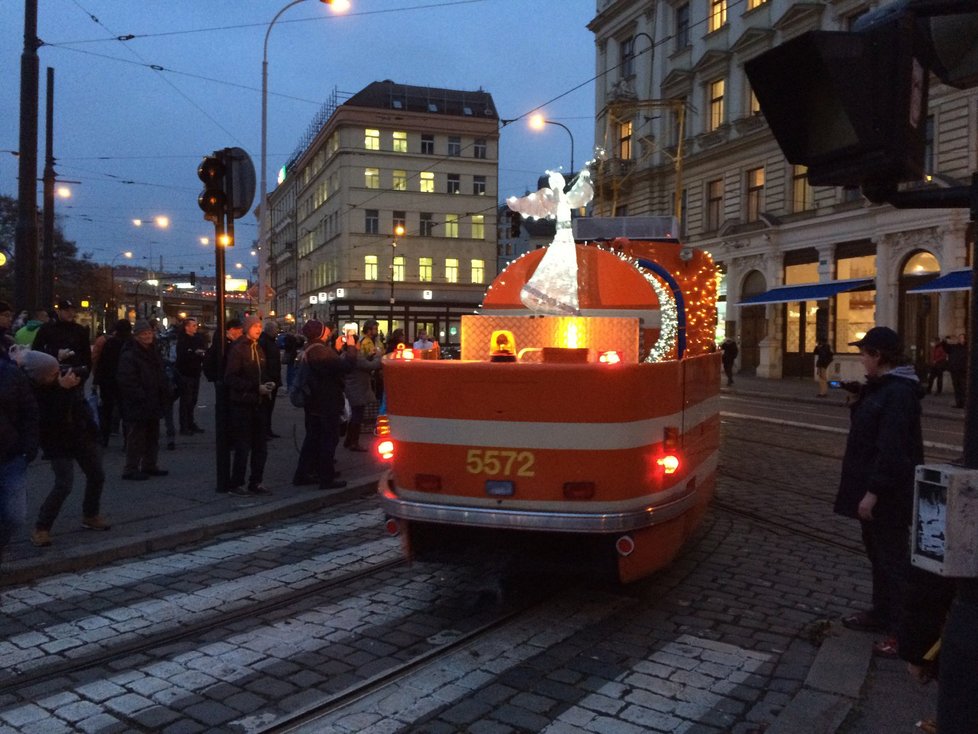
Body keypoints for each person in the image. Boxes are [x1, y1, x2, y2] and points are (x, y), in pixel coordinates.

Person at [836, 326, 923, 657]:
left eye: (864, 354)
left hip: (888, 494)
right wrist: (860, 401)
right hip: (873, 488)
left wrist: (873, 492)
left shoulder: (898, 394)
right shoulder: (881, 389)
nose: (861, 360)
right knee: (878, 556)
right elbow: (867, 433)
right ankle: (882, 612)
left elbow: (892, 449)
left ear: (879, 356)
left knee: (892, 560)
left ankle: (904, 634)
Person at [19, 350, 109, 547]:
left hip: (80, 434)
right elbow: (49, 417)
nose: (57, 374)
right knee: (64, 484)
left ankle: (90, 514)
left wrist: (93, 429)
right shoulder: (32, 390)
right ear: (39, 376)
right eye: (52, 373)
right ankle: (42, 527)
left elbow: (80, 405)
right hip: (56, 441)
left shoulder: (64, 380)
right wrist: (61, 389)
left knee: (97, 474)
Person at [293, 320, 354, 489]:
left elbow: (328, 367)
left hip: (313, 402)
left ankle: (304, 473)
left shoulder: (311, 349)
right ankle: (325, 477)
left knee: (313, 438)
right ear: (319, 333)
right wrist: (351, 347)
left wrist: (334, 349)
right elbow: (346, 366)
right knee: (328, 439)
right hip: (326, 402)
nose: (328, 332)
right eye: (325, 330)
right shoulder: (320, 351)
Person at [224, 315, 273, 496]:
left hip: (259, 404)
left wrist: (268, 383)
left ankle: (256, 481)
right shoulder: (239, 349)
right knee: (243, 447)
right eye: (255, 326)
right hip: (243, 404)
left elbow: (262, 373)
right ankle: (236, 483)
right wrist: (254, 388)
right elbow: (230, 377)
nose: (258, 329)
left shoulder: (258, 347)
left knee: (261, 447)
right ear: (247, 328)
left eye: (260, 326)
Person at [116, 320, 170, 481]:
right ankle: (131, 468)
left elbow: (159, 373)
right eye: (144, 334)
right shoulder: (130, 354)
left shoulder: (153, 351)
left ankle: (150, 464)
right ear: (137, 336)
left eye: (149, 333)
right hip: (139, 401)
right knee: (137, 437)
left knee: (153, 435)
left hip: (153, 399)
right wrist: (140, 395)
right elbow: (126, 380)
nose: (147, 336)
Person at [0, 345, 39, 565]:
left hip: (11, 453)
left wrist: (29, 446)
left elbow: (29, 410)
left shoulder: (10, 373)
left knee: (15, 515)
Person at [92, 319, 131, 447]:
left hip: (108, 382)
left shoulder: (110, 343)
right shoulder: (131, 344)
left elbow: (101, 363)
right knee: (126, 412)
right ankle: (127, 441)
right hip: (125, 382)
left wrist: (96, 381)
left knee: (106, 411)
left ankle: (104, 439)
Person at [344, 321, 382, 452]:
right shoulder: (356, 356)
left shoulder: (347, 355)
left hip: (352, 387)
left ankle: (349, 440)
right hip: (358, 388)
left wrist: (369, 357)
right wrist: (378, 356)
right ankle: (354, 442)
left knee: (354, 414)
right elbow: (371, 366)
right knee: (357, 416)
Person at [32, 299, 92, 380]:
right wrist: (56, 353)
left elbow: (86, 354)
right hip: (52, 376)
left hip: (74, 375)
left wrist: (83, 376)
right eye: (67, 311)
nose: (70, 313)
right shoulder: (47, 329)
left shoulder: (79, 330)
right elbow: (36, 349)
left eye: (72, 311)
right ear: (58, 311)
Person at [175, 317, 207, 436]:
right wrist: (194, 352)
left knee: (193, 400)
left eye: (196, 325)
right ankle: (184, 426)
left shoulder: (198, 338)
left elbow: (203, 350)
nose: (195, 327)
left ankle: (190, 422)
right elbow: (182, 355)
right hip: (185, 373)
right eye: (193, 325)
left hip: (195, 372)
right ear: (186, 327)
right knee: (185, 401)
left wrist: (199, 353)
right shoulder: (183, 339)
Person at [258, 320, 282, 439]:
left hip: (274, 378)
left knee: (269, 407)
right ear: (270, 330)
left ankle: (267, 430)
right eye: (276, 329)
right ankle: (263, 431)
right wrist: (266, 378)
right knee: (265, 407)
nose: (277, 331)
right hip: (268, 379)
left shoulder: (271, 341)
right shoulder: (264, 342)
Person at [945, 334, 966, 408]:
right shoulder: (954, 347)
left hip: (962, 371)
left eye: (962, 338)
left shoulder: (967, 348)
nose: (960, 339)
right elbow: (946, 348)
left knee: (962, 387)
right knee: (956, 387)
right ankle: (959, 403)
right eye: (959, 338)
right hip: (954, 370)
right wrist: (946, 340)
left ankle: (964, 403)